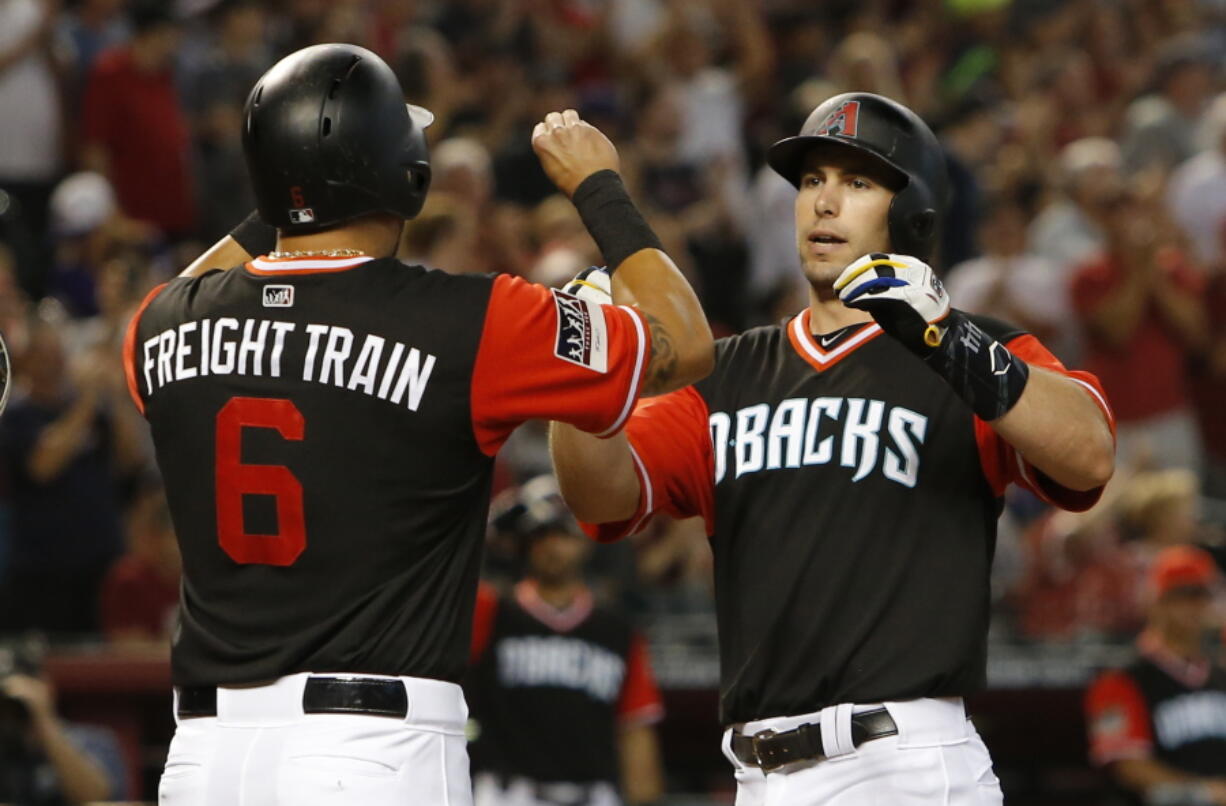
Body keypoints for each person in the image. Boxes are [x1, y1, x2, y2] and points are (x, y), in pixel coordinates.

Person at [122, 43, 711, 805]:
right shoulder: (472, 319)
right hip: (367, 753)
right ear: (405, 171)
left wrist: (292, 185)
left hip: (203, 757)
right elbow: (685, 341)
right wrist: (598, 187)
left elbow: (179, 298)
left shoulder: (165, 322)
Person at [550, 92, 1116, 805]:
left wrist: (949, 339)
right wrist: (581, 377)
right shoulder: (726, 373)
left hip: (902, 761)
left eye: (857, 183)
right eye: (813, 180)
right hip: (760, 773)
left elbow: (1088, 453)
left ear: (911, 214)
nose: (823, 202)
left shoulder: (973, 351)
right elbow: (600, 494)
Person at [467, 476, 665, 806]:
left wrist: (644, 796)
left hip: (593, 794)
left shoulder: (616, 629)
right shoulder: (492, 611)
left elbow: (634, 726)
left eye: (564, 535)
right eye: (542, 535)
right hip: (508, 792)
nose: (553, 546)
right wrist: (494, 525)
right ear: (524, 543)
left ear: (586, 542)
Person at [1085, 545, 1226, 806]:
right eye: (1183, 596)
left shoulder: (1220, 675)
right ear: (1157, 601)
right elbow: (1129, 768)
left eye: (1202, 596)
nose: (1195, 607)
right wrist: (1206, 793)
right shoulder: (1119, 680)